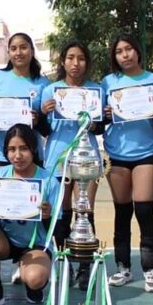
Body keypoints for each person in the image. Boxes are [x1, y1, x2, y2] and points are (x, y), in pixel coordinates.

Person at [101, 34, 153, 292]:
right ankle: (123, 268)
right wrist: (104, 114)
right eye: (119, 51)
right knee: (122, 212)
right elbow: (100, 119)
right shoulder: (108, 82)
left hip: (146, 153)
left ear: (138, 52)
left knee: (144, 211)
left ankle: (150, 270)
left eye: (129, 49)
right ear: (114, 57)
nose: (125, 55)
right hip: (116, 154)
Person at [0, 124, 60, 305]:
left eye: (23, 148)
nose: (18, 155)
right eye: (12, 149)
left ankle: (32, 283)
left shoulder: (48, 181)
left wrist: (47, 217)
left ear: (33, 149)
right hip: (7, 241)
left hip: (35, 244)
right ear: (6, 152)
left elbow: (58, 230)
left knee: (35, 279)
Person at [39, 41, 104, 290]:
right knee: (62, 213)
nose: (75, 63)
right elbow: (43, 129)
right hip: (59, 158)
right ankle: (64, 262)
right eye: (70, 58)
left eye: (81, 58)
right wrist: (45, 113)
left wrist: (98, 116)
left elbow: (100, 126)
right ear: (63, 62)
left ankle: (85, 267)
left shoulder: (96, 90)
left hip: (87, 159)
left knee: (85, 210)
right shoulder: (51, 90)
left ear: (87, 62)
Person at [0, 32, 50, 175]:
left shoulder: (43, 83)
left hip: (30, 153)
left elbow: (46, 127)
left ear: (32, 51)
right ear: (8, 52)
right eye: (13, 49)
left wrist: (37, 119)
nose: (18, 52)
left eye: (23, 47)